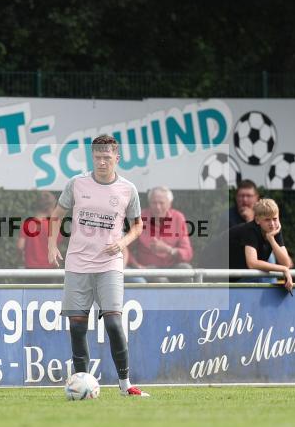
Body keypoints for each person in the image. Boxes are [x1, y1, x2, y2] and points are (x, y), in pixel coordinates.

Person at [48, 134, 149, 397]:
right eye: (97, 157)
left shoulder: (128, 189)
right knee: (77, 327)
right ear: (92, 157)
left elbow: (138, 225)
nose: (102, 162)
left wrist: (123, 242)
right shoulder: (77, 184)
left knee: (114, 324)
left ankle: (125, 384)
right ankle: (81, 383)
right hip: (77, 264)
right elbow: (56, 216)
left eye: (107, 157)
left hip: (109, 264)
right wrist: (51, 245)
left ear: (117, 158)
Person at [128, 186, 193, 282]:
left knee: (186, 269)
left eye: (161, 203)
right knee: (161, 280)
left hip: (172, 266)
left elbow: (188, 254)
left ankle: (189, 297)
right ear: (149, 203)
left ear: (169, 204)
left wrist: (169, 250)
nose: (158, 207)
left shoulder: (178, 218)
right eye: (154, 203)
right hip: (149, 267)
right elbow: (125, 248)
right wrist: (136, 266)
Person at [227, 198, 293, 291]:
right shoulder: (250, 230)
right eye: (267, 220)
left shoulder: (274, 230)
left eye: (275, 219)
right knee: (263, 274)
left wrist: (272, 240)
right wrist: (283, 269)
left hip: (234, 276)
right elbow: (252, 263)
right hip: (214, 269)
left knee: (264, 273)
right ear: (257, 220)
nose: (272, 224)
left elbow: (286, 263)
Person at [18, 191, 62, 269]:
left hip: (30, 268)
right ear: (50, 208)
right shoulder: (54, 225)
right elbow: (56, 247)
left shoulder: (27, 223)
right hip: (49, 268)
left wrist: (20, 259)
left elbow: (20, 246)